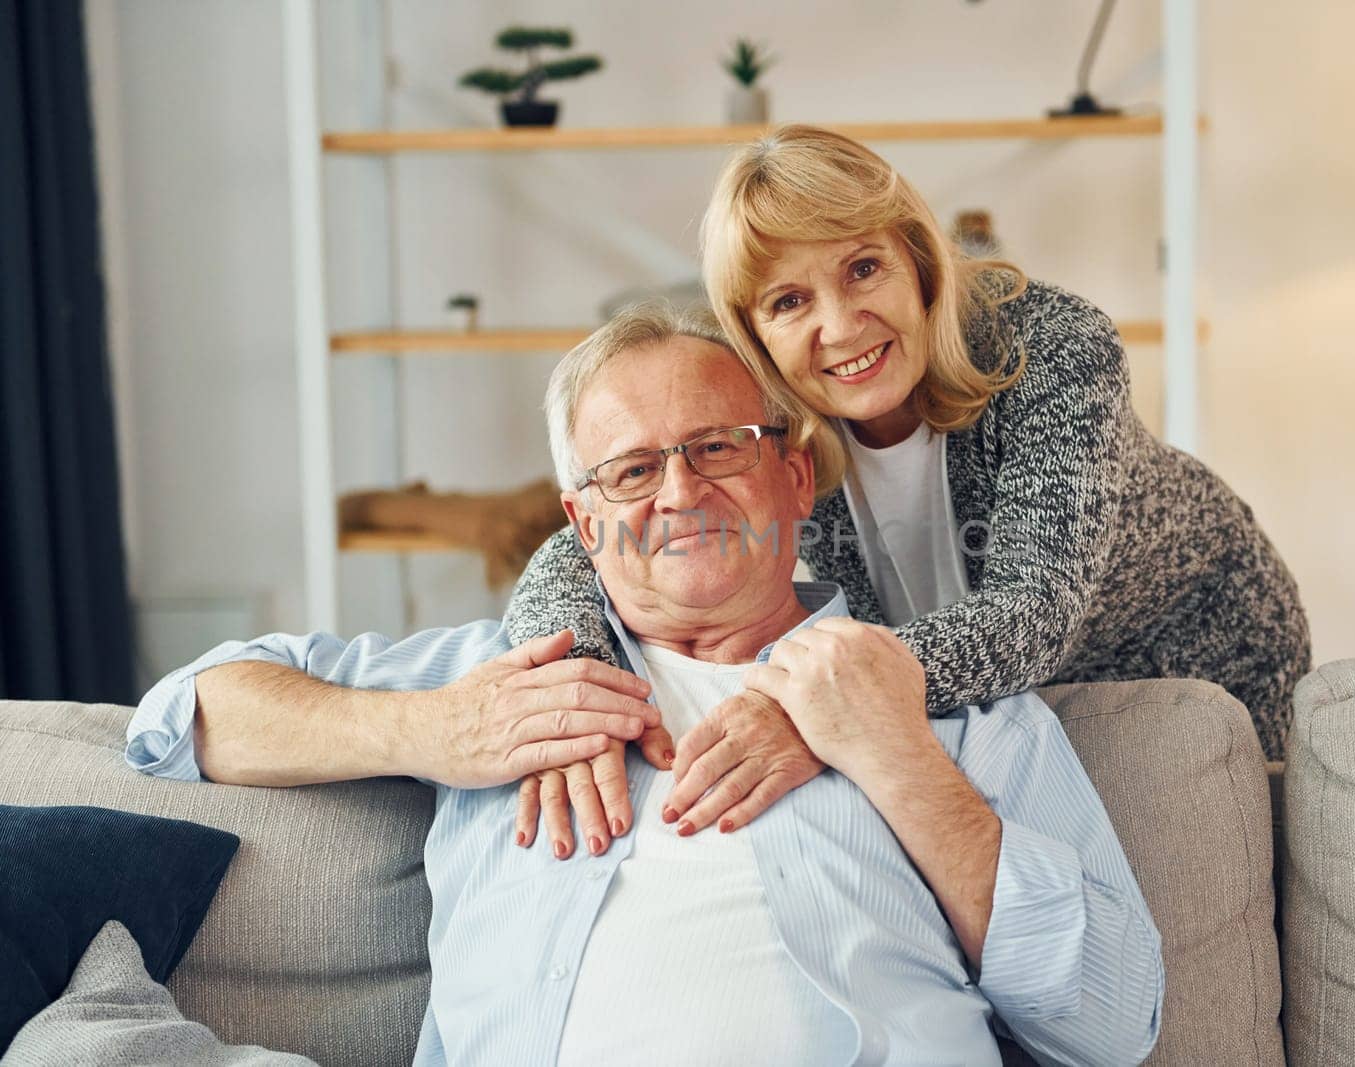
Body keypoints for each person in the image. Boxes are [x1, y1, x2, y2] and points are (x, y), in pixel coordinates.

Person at [126, 306, 1164, 1066]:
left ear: (795, 477)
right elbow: (187, 712)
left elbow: (1111, 1019)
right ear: (583, 523)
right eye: (629, 469)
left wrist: (894, 754)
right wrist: (431, 726)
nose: (679, 492)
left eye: (718, 447)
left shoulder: (958, 705)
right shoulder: (501, 678)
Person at [505, 127, 1310, 853]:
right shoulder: (765, 419)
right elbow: (588, 535)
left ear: (919, 262)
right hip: (993, 715)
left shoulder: (1054, 350)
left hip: (1196, 670)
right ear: (754, 334)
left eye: (863, 268)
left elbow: (1033, 615)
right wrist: (570, 693)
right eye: (790, 301)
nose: (843, 326)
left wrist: (815, 705)